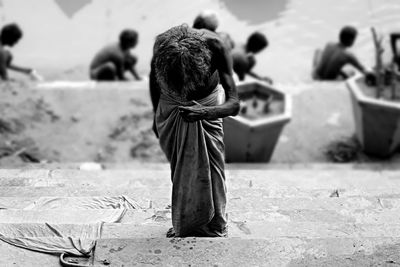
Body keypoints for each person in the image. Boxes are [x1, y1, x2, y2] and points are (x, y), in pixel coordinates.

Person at [150, 24, 239, 237]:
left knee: (213, 164)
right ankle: (188, 221)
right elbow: (153, 83)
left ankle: (216, 222)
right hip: (171, 106)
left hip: (207, 105)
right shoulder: (162, 46)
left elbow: (234, 104)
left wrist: (205, 112)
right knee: (181, 165)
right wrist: (156, 115)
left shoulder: (216, 46)